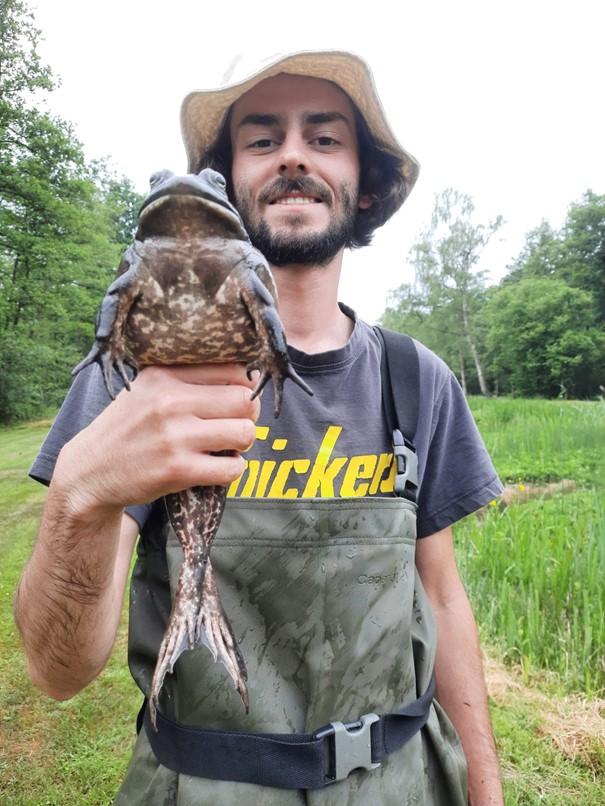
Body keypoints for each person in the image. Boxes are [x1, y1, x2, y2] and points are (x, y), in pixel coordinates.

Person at [15, 51, 504, 805]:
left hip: (402, 783)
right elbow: (57, 672)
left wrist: (485, 790)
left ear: (364, 183)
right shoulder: (130, 374)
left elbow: (440, 598)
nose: (294, 156)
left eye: (325, 136)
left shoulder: (416, 380)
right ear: (228, 182)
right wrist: (80, 496)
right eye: (263, 138)